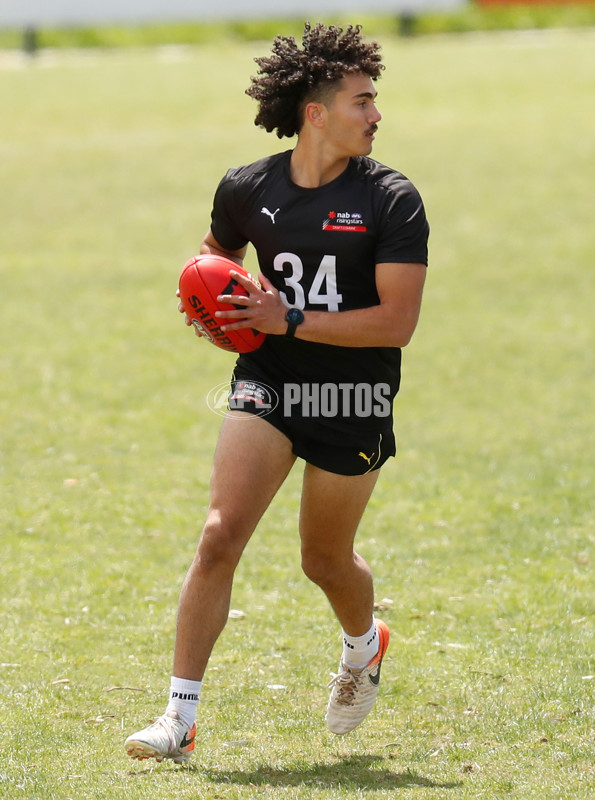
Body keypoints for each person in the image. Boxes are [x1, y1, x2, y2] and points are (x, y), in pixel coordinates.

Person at [125, 21, 429, 764]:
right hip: (268, 385)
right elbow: (214, 256)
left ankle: (364, 645)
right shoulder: (248, 187)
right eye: (363, 101)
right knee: (218, 534)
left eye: (375, 101)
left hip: (353, 398)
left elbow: (398, 322)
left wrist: (285, 315)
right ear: (317, 113)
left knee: (323, 560)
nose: (376, 114)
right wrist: (211, 305)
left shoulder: (392, 199)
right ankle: (179, 718)